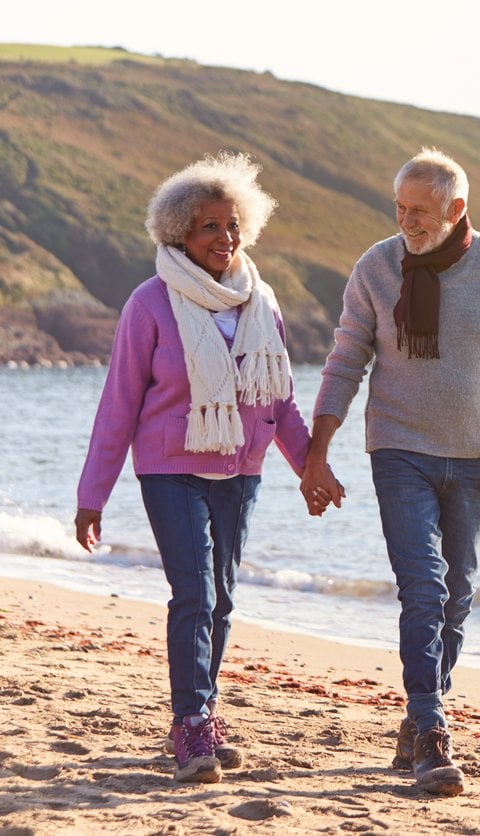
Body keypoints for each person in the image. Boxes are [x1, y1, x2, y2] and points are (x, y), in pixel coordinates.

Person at [300, 147, 480, 796]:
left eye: (420, 211)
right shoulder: (377, 267)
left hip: (474, 457)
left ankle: (418, 716)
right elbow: (345, 360)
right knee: (424, 586)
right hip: (399, 451)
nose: (406, 221)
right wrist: (318, 449)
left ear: (456, 209)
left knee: (458, 598)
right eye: (399, 209)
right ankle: (434, 735)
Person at [74, 152, 336, 784]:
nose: (225, 239)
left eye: (231, 225)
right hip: (170, 470)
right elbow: (119, 403)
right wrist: (92, 497)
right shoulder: (150, 304)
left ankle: (202, 716)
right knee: (194, 593)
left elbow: (279, 400)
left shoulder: (260, 301)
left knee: (221, 601)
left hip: (241, 470)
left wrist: (310, 467)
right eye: (208, 227)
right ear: (179, 234)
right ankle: (191, 722)